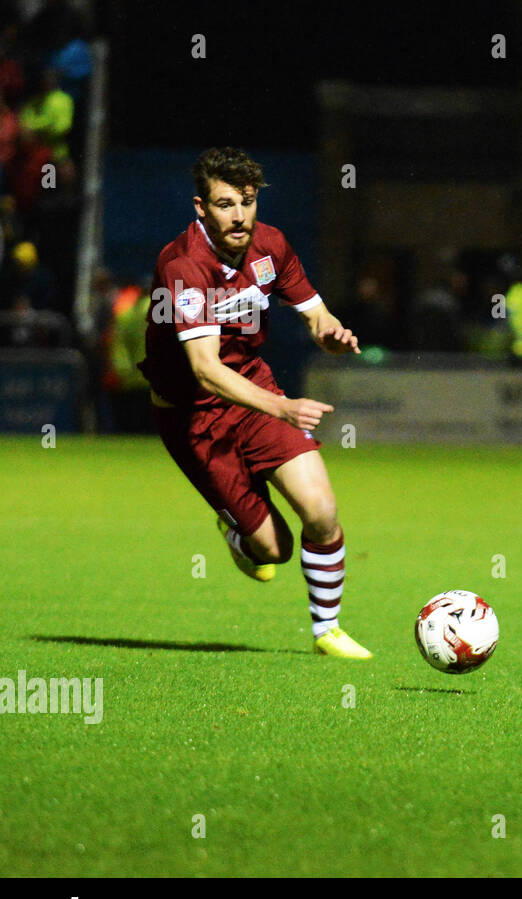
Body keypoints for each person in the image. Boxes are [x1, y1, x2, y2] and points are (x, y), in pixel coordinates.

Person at [139, 147, 370, 658]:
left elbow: (314, 313)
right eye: (225, 204)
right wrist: (284, 407)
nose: (239, 215)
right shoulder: (183, 267)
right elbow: (205, 370)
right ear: (201, 207)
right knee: (273, 550)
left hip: (254, 392)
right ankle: (235, 528)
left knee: (321, 511)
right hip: (192, 416)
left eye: (247, 201)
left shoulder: (271, 246)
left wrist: (329, 333)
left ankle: (326, 630)